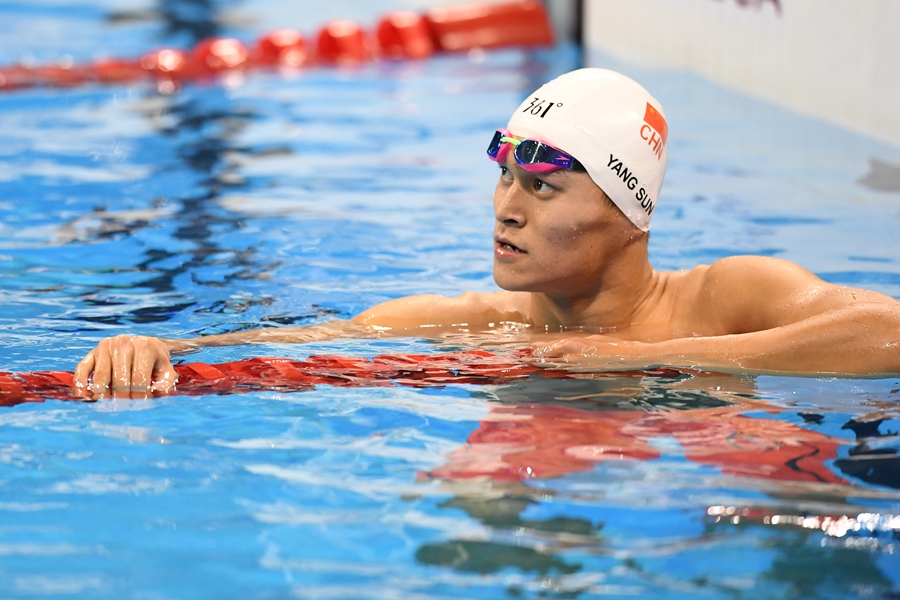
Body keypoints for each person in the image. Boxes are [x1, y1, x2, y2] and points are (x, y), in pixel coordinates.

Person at [74, 68, 900, 393]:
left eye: (541, 186)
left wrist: (640, 356)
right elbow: (304, 340)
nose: (507, 206)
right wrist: (149, 354)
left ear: (627, 212)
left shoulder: (723, 295)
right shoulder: (472, 323)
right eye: (504, 177)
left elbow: (885, 331)